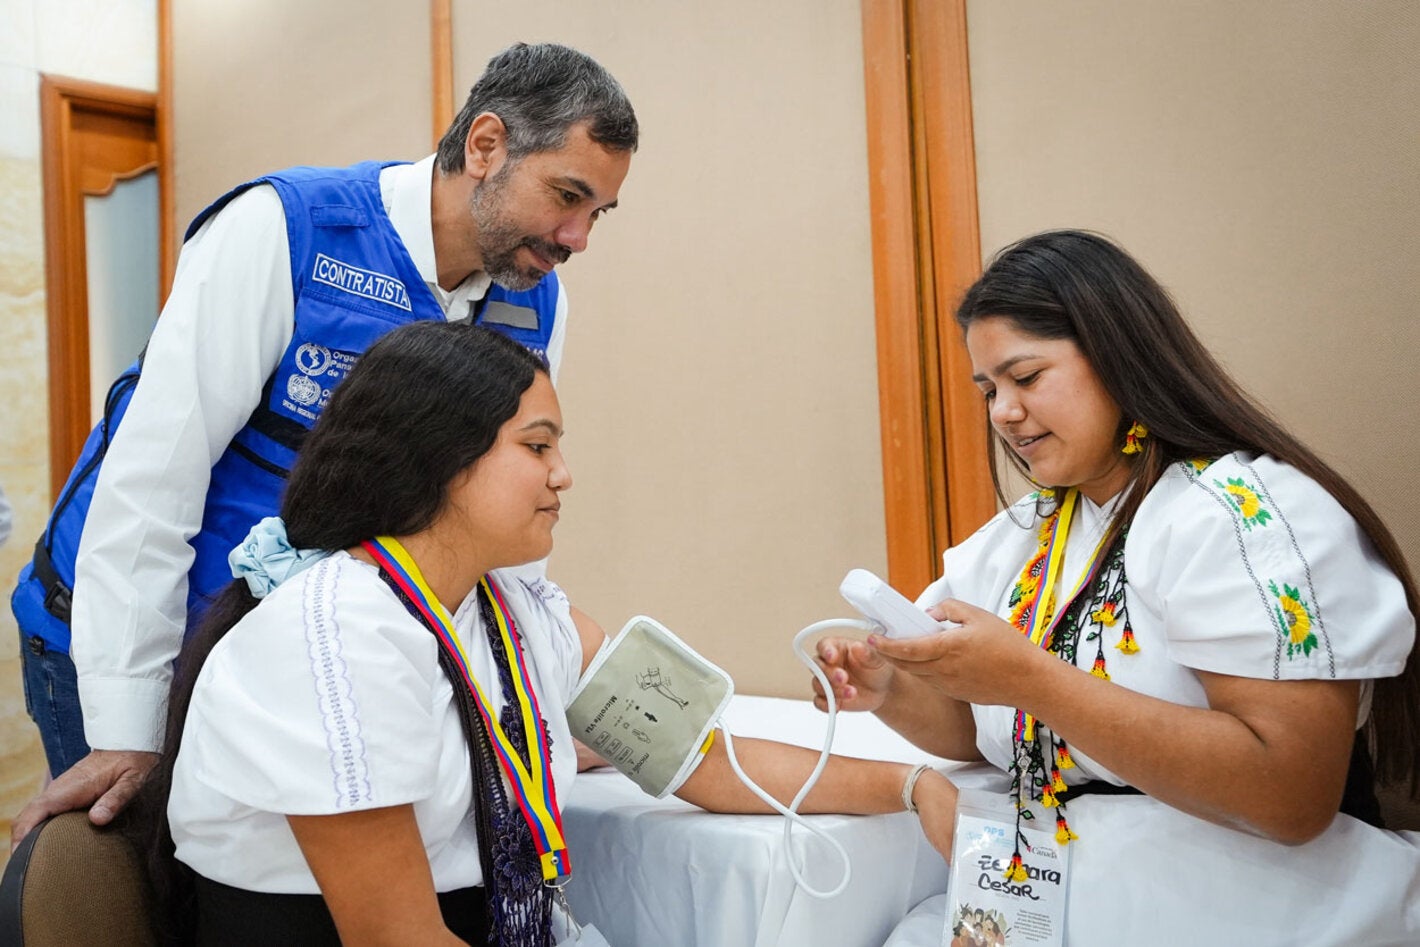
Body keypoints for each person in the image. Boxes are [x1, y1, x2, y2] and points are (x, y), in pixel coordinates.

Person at [129, 320, 959, 945]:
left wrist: (913, 784)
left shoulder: (512, 607)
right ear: (438, 457)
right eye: (537, 445)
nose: (564, 473)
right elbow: (398, 939)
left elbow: (701, 757)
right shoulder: (335, 637)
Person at [11, 42, 636, 847]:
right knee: (159, 898)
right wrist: (130, 721)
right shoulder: (287, 230)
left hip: (296, 665)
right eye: (567, 195)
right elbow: (151, 478)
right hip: (129, 635)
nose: (577, 236)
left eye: (598, 214)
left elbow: (495, 526)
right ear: (485, 147)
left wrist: (521, 701)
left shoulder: (534, 303)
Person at [814, 231, 1420, 945]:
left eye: (1026, 377)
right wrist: (894, 689)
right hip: (1049, 888)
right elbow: (994, 733)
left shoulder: (1244, 514)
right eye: (989, 389)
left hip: (1246, 898)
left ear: (1116, 355)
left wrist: (1029, 677)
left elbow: (1291, 793)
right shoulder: (1021, 536)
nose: (1003, 411)